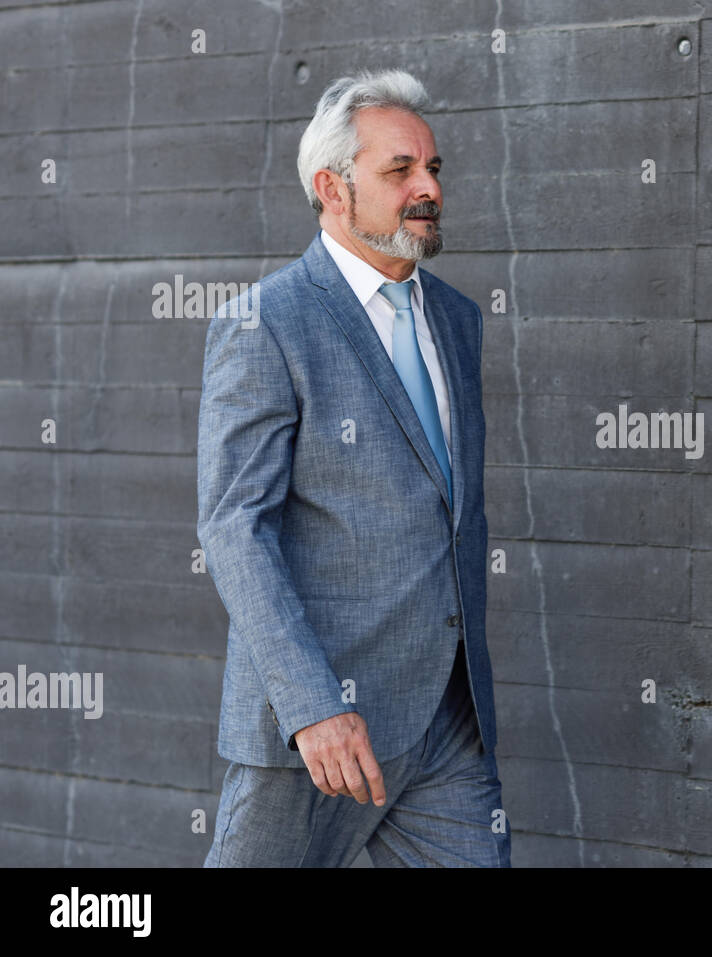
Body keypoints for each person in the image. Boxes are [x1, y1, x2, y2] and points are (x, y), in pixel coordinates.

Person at [196, 69, 508, 867]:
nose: (428, 187)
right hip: (321, 728)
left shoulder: (459, 321)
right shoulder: (266, 322)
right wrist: (310, 706)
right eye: (399, 170)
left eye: (433, 169)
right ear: (332, 188)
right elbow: (235, 527)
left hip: (446, 720)